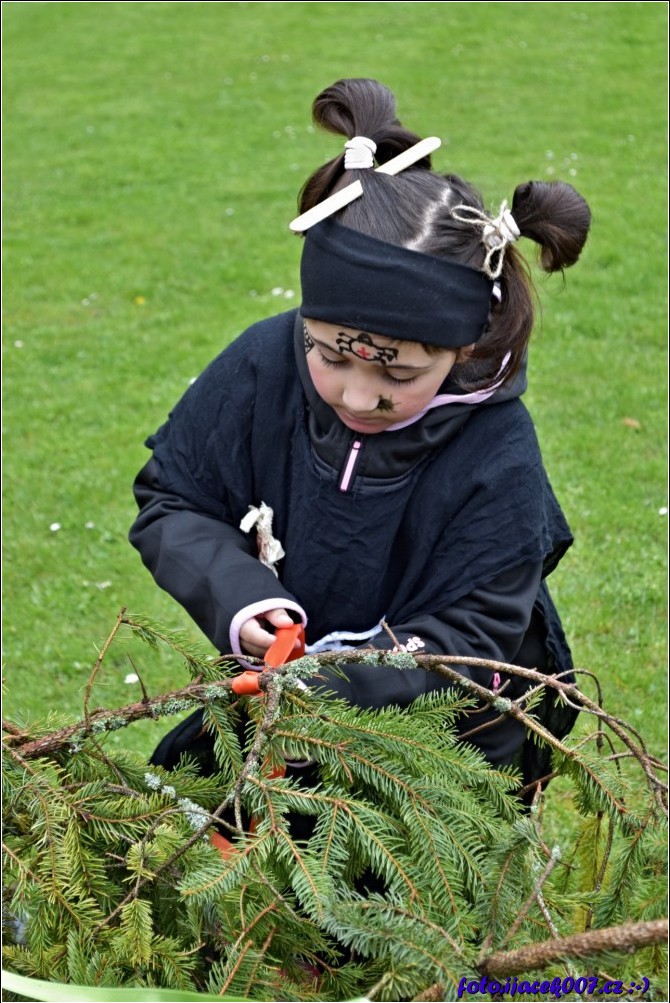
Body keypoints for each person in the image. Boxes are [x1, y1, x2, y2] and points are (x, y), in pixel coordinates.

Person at [130, 78, 591, 788]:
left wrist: (331, 685)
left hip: (445, 748)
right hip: (276, 719)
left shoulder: (496, 446)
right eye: (330, 354)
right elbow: (175, 501)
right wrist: (242, 600)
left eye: (398, 373)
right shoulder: (263, 364)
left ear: (463, 348)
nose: (357, 395)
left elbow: (476, 635)